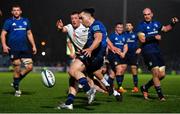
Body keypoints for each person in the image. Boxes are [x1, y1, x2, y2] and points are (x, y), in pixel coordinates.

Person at [137, 8, 178, 101]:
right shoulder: (141, 26)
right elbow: (142, 39)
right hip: (147, 52)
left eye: (148, 14)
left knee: (162, 75)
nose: (146, 16)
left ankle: (145, 87)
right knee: (155, 73)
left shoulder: (156, 23)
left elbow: (165, 29)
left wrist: (172, 23)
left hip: (157, 51)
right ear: (143, 16)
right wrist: (154, 37)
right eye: (145, 15)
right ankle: (161, 96)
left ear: (152, 14)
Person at [1, 5, 37, 97]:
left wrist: (33, 45)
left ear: (21, 11)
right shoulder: (8, 22)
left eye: (18, 10)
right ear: (12, 12)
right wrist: (4, 45)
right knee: (17, 68)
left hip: (24, 48)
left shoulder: (25, 21)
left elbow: (29, 33)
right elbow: (3, 34)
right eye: (14, 10)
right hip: (13, 49)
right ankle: (17, 90)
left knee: (30, 67)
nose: (16, 12)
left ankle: (16, 81)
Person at [107, 22, 128, 93]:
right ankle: (119, 87)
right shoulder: (112, 36)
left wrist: (124, 53)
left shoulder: (124, 36)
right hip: (113, 56)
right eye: (118, 27)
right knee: (119, 69)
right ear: (115, 28)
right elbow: (109, 46)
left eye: (121, 28)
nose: (120, 29)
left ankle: (107, 86)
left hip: (121, 56)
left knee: (114, 73)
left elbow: (125, 46)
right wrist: (118, 52)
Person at [124, 22, 141, 93]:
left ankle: (136, 87)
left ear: (132, 27)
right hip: (125, 54)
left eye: (129, 25)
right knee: (121, 69)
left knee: (134, 70)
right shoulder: (123, 34)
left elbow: (143, 41)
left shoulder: (136, 34)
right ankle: (119, 87)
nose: (128, 27)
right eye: (127, 25)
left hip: (133, 54)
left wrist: (140, 48)